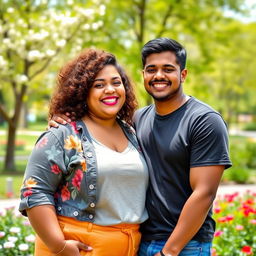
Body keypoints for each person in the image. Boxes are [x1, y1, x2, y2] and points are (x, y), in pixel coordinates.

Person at [49, 38, 232, 256]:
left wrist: (170, 251)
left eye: (168, 69)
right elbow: (97, 117)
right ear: (143, 75)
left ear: (183, 75)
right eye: (151, 69)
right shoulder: (137, 120)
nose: (159, 76)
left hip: (185, 245)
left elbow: (204, 192)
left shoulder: (204, 120)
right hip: (140, 240)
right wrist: (64, 119)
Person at [19, 49, 148, 256]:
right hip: (77, 248)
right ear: (82, 91)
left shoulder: (132, 132)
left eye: (116, 82)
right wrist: (59, 246)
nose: (110, 90)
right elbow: (34, 192)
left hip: (130, 246)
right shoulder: (61, 135)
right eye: (99, 85)